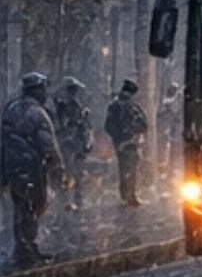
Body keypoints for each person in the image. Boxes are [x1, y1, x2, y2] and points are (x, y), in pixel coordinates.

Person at [2, 73, 67, 267]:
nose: (45, 94)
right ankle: (26, 250)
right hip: (31, 167)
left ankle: (24, 248)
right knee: (33, 205)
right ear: (37, 90)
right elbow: (48, 144)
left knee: (21, 207)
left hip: (12, 168)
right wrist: (59, 169)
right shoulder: (37, 113)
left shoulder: (11, 108)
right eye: (43, 89)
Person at [103, 79, 149, 207]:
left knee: (126, 169)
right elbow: (144, 124)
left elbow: (143, 124)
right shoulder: (127, 106)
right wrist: (123, 136)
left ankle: (127, 195)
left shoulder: (117, 106)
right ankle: (129, 195)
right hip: (128, 142)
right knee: (129, 170)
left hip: (127, 143)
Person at [51, 79, 92, 211]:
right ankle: (67, 201)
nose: (73, 93)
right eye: (71, 90)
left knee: (78, 174)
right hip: (67, 145)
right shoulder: (62, 107)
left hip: (78, 145)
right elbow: (62, 125)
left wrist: (86, 142)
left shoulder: (78, 106)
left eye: (74, 90)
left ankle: (77, 200)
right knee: (68, 173)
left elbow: (84, 127)